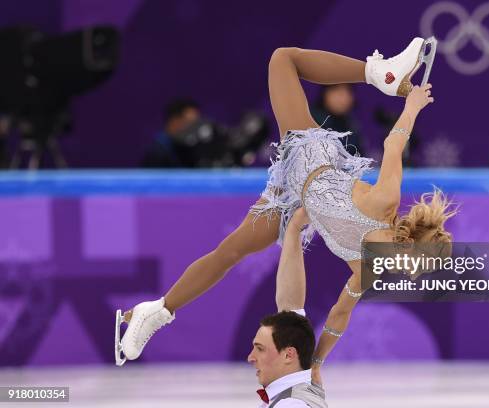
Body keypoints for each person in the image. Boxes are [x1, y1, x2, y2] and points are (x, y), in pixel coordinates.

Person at [115, 37, 456, 368]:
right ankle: (380, 74)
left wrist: (317, 365)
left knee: (230, 251)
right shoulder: (384, 205)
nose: (413, 278)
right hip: (310, 157)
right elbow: (394, 145)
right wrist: (411, 107)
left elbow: (339, 316)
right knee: (283, 60)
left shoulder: (369, 271)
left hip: (293, 199)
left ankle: (156, 311)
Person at [248, 209, 327, 407]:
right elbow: (290, 306)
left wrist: (295, 227)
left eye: (260, 349)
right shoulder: (297, 392)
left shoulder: (291, 404)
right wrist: (294, 228)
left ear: (289, 355)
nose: (251, 357)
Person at [310, 83, 365, 155]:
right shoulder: (311, 120)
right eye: (337, 91)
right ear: (325, 93)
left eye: (348, 91)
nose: (344, 98)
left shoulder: (352, 125)